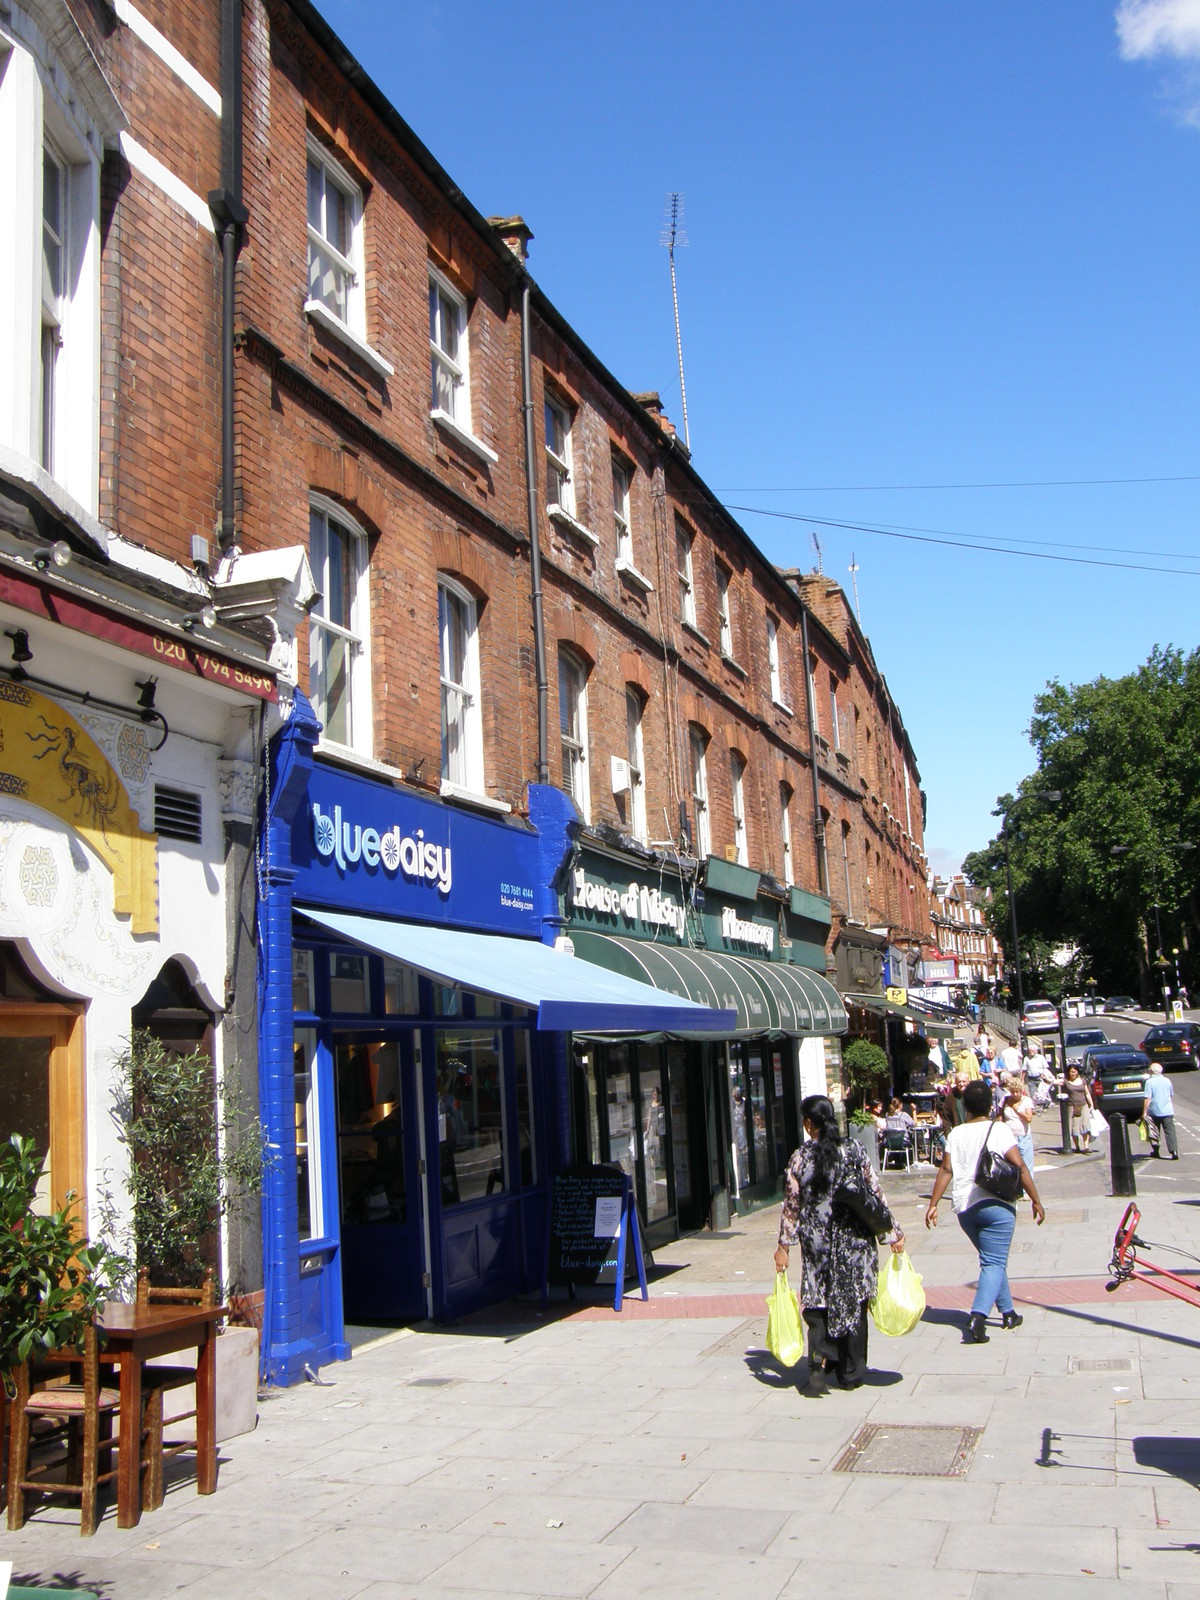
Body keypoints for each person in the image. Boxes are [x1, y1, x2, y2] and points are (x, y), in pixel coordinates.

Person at [774, 1095, 905, 1392]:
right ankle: (851, 1372)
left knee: (818, 1300)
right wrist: (891, 1232)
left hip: (817, 1241)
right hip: (855, 1240)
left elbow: (791, 1207)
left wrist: (784, 1247)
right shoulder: (854, 1150)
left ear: (808, 1123)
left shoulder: (800, 1157)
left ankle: (819, 1362)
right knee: (855, 1300)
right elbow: (873, 1193)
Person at [924, 1079, 1045, 1343]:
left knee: (992, 1261)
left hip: (965, 1209)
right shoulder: (999, 1130)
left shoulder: (955, 1134)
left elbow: (945, 1170)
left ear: (965, 1106)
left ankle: (1008, 1312)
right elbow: (1021, 1166)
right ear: (990, 1105)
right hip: (997, 1205)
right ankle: (978, 1318)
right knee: (993, 1262)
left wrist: (933, 1204)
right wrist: (1035, 1199)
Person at [1000, 1072, 1036, 1171]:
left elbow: (1029, 1118)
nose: (1015, 1094)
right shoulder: (1005, 1099)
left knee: (1026, 1167)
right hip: (1009, 1138)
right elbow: (1000, 1116)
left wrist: (1017, 1109)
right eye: (1012, 1092)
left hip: (1023, 1137)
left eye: (1017, 1092)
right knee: (1011, 1166)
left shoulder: (1027, 1101)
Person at [1143, 1062, 1179, 1159]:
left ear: (1152, 1071)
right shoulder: (1167, 1080)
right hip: (1167, 1111)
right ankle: (1174, 1152)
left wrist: (1144, 1112)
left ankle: (1156, 1151)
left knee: (1154, 1132)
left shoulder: (1149, 1082)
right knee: (1170, 1131)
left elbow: (1147, 1098)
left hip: (1154, 1111)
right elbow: (1171, 1094)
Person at [1063, 1063, 1094, 1153]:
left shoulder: (1082, 1080)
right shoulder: (1066, 1081)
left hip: (1083, 1105)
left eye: (1074, 1072)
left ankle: (1086, 1147)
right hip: (1072, 1107)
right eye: (1071, 1072)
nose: (1073, 1074)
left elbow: (1087, 1093)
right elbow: (1055, 1082)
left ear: (1077, 1072)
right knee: (1074, 1127)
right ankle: (1077, 1147)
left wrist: (1091, 1105)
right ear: (1068, 1073)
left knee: (1085, 1125)